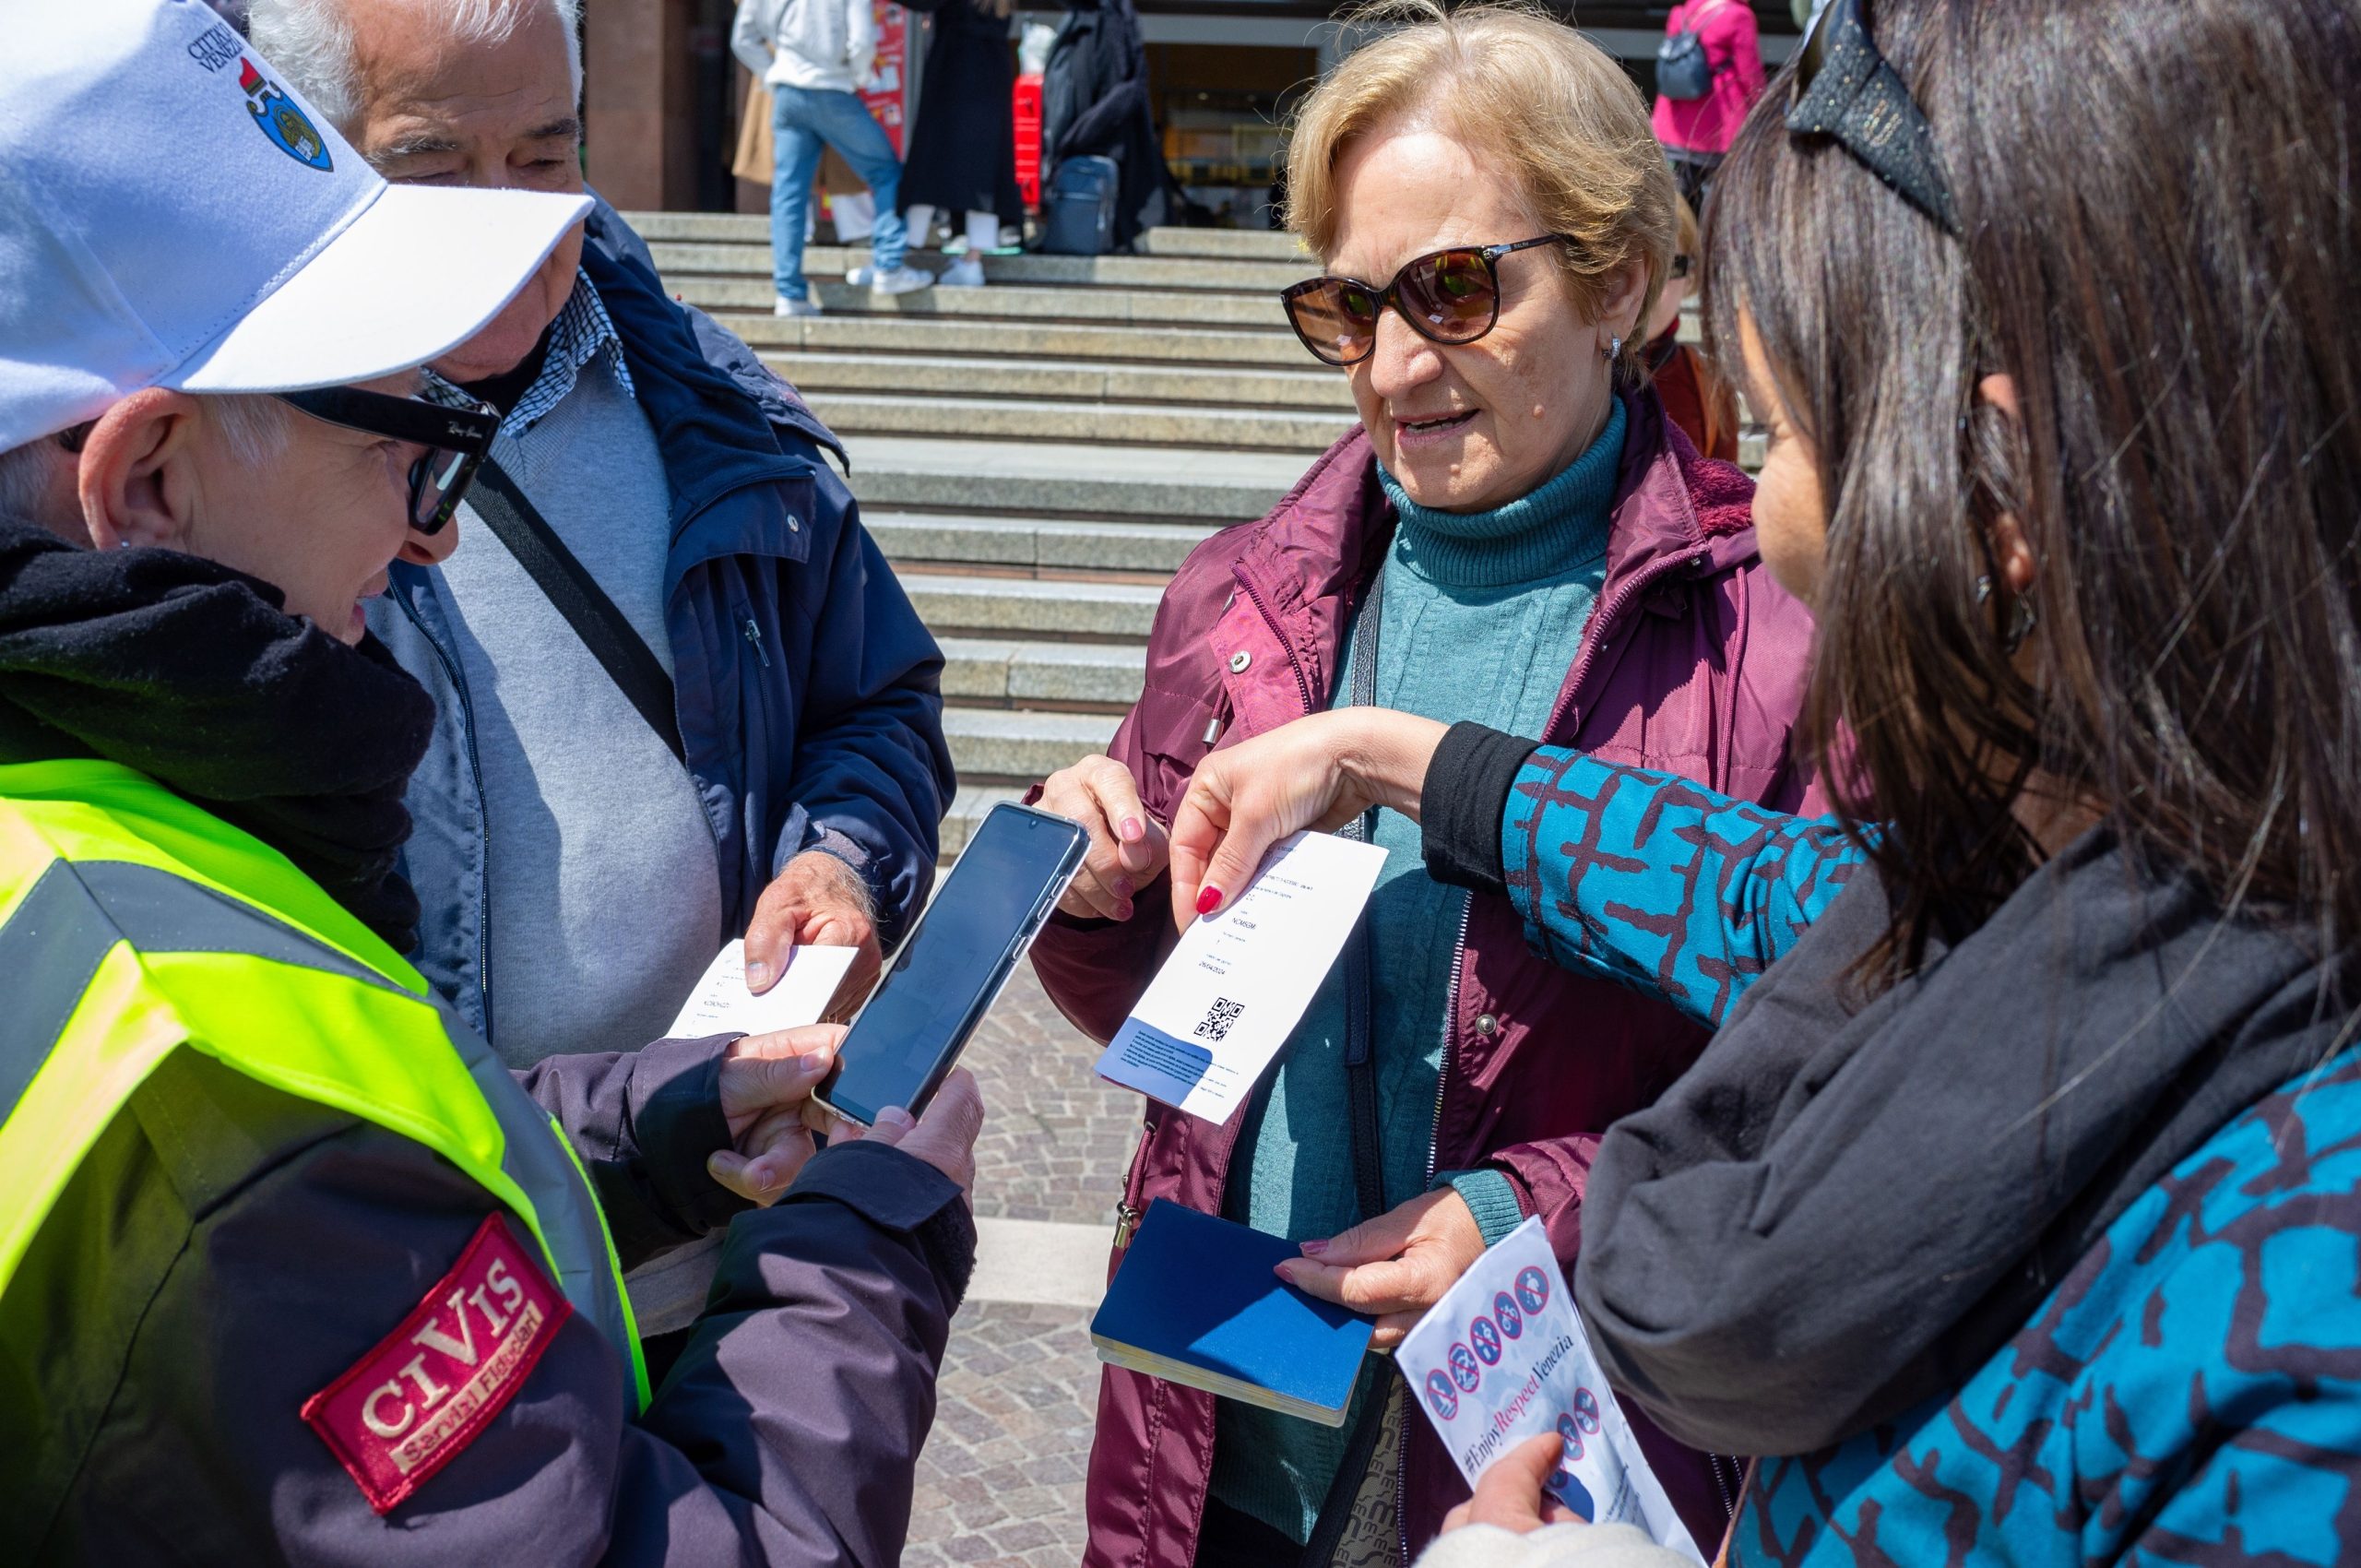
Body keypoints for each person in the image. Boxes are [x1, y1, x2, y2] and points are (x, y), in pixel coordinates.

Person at [1163, 0, 2361, 1562]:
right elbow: (1761, 891)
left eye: (1781, 430)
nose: (1766, 506)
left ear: (1997, 494)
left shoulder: (2298, 1324)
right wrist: (1383, 754)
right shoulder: (2057, 885)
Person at [0, 2, 983, 1560]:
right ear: (148, 481)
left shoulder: (97, 833)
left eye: (550, 156)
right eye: (405, 450)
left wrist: (652, 1122)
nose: (432, 533)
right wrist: (866, 1231)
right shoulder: (204, 1077)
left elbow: (376, 1112)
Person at [1023, 7, 1821, 1562]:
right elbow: (1177, 1012)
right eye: (1349, 307)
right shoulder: (1237, 598)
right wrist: (1094, 897)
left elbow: (1836, 1065)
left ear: (1617, 281)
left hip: (1542, 1459)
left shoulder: (1769, 625)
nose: (1394, 366)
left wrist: (1540, 1212)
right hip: (1221, 1432)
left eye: (1454, 290)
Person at [245, 0, 958, 1337]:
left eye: (542, 156)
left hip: (724, 1241)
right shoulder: (227, 464)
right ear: (307, 152)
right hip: (413, 1285)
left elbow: (876, 703)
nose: (506, 211)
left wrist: (839, 859)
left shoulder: (711, 399)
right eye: (436, 166)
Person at [730, 0, 935, 308]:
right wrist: (858, 77)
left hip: (787, 92)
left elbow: (742, 39)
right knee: (886, 172)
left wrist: (772, 73)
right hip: (833, 89)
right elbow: (862, 41)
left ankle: (788, 294)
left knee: (789, 194)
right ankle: (889, 264)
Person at [898, 0, 1026, 287]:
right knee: (984, 173)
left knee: (927, 165)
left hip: (952, 74)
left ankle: (899, 253)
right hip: (992, 77)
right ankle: (972, 262)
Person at [1040, 0, 1173, 252]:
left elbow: (1115, 85)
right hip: (1103, 137)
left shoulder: (1103, 21)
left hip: (1102, 139)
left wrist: (1072, 137)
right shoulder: (1104, 19)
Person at [1641, 196, 1738, 462]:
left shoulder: (1710, 387)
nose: (1650, 285)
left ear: (1691, 275)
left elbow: (1726, 499)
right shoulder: (1578, 374)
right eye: (1634, 261)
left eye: (1670, 266)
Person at [1651, 0, 1764, 212]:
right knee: (1722, 199)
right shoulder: (1739, 16)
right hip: (1717, 127)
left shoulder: (1681, 13)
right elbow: (1750, 73)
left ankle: (1683, 241)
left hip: (1675, 125)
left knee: (1681, 202)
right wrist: (1762, 109)